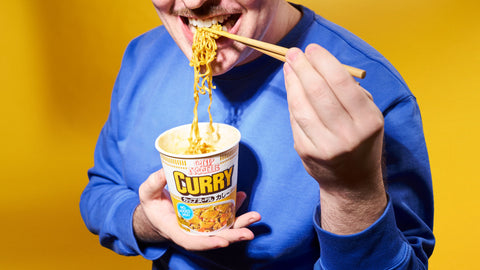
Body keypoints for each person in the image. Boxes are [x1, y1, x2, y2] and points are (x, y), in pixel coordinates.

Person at [80, 0, 435, 269]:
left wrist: (351, 192)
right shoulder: (142, 55)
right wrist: (152, 222)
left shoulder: (373, 95)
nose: (191, 2)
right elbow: (99, 193)